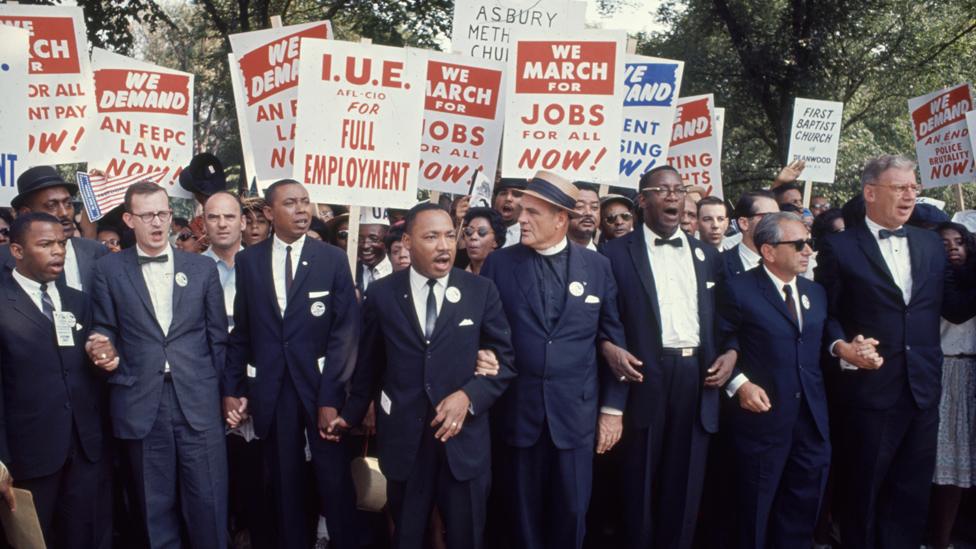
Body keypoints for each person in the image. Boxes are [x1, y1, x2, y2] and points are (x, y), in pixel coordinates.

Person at [814, 155, 976, 549]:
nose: (910, 195)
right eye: (899, 187)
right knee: (863, 493)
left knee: (910, 496)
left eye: (913, 187)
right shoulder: (838, 247)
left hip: (922, 390)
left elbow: (953, 307)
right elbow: (826, 314)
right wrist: (843, 348)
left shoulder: (929, 244)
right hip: (867, 391)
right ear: (871, 193)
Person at [332, 202, 516, 549]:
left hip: (463, 443)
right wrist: (349, 415)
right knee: (408, 535)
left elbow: (504, 363)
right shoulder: (383, 295)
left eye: (449, 235)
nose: (444, 246)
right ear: (407, 241)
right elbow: (369, 365)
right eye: (431, 237)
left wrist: (469, 397)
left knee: (466, 536)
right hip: (405, 441)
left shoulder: (481, 292)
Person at [481, 171, 628, 549]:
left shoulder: (598, 267)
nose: (521, 218)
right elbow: (488, 333)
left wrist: (613, 408)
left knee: (573, 514)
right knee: (521, 520)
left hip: (575, 418)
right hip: (518, 415)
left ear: (561, 219)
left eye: (533, 212)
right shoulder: (500, 264)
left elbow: (612, 338)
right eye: (522, 210)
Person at [718, 212, 877, 548]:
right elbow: (719, 344)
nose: (808, 251)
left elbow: (821, 338)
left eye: (810, 243)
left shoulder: (814, 292)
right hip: (761, 422)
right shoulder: (736, 291)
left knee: (802, 509)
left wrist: (846, 350)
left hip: (811, 422)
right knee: (753, 512)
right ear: (769, 251)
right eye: (800, 244)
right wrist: (739, 384)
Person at [222, 179, 360, 549]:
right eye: (291, 203)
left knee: (333, 481)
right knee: (285, 484)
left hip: (320, 390)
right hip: (274, 391)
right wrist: (234, 389)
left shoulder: (331, 259)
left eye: (305, 202)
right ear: (269, 213)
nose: (302, 210)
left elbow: (345, 333)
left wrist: (332, 395)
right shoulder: (249, 261)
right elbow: (243, 333)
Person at [91, 181, 229, 548]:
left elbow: (218, 338)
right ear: (129, 219)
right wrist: (100, 344)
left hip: (197, 402)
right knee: (153, 512)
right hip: (141, 402)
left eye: (163, 213)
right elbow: (105, 326)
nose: (157, 223)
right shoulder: (108, 270)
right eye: (147, 215)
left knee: (210, 505)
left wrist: (225, 394)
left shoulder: (201, 269)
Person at [601, 165, 731, 549]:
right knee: (638, 484)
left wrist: (731, 353)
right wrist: (607, 345)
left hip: (697, 376)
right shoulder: (613, 255)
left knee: (686, 484)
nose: (674, 196)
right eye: (663, 190)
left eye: (679, 189)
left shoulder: (708, 256)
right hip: (643, 377)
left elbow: (727, 319)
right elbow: (603, 318)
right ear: (643, 200)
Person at [0, 212, 116, 548]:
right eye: (46, 244)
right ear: (17, 251)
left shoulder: (78, 300)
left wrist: (104, 359)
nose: (59, 252)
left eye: (62, 243)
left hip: (84, 451)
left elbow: (85, 371)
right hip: (29, 457)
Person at [927, 222, 976, 549]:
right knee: (940, 466)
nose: (954, 249)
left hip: (970, 371)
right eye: (944, 244)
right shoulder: (930, 281)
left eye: (960, 242)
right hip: (943, 371)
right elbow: (956, 312)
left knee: (961, 468)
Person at [1, 166, 109, 292]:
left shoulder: (98, 252)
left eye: (68, 204)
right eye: (52, 206)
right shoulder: (3, 259)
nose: (64, 213)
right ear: (26, 213)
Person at [723, 190, 780, 277]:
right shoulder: (720, 265)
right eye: (768, 216)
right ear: (744, 223)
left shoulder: (785, 261)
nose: (775, 222)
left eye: (778, 217)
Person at [462, 207, 506, 275]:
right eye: (469, 231)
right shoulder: (457, 269)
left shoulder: (504, 274)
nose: (473, 237)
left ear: (496, 241)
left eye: (482, 231)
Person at [357, 208, 392, 292]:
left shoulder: (398, 270)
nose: (365, 245)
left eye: (373, 239)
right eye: (359, 239)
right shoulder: (349, 271)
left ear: (386, 240)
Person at [493, 178, 527, 248]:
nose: (508, 198)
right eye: (503, 193)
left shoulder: (533, 237)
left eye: (516, 194)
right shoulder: (480, 232)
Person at [569, 182, 600, 250]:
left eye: (594, 207)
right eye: (579, 206)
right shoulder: (549, 252)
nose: (588, 213)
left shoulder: (605, 257)